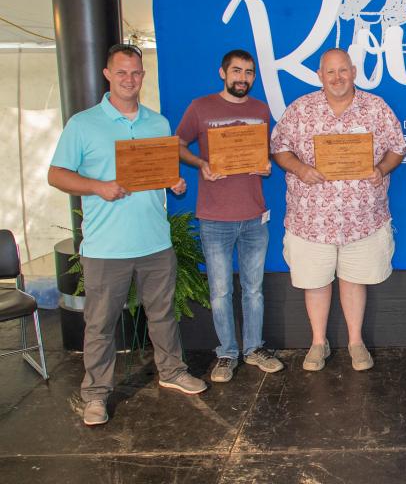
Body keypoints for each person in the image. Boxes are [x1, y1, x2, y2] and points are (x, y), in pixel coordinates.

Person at [48, 43, 208, 427]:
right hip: (106, 248)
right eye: (121, 72)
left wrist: (174, 184)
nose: (129, 80)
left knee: (163, 316)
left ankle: (171, 373)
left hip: (155, 242)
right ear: (107, 74)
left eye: (136, 73)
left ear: (142, 76)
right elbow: (56, 175)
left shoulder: (157, 123)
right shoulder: (83, 124)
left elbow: (160, 173)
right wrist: (98, 186)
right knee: (100, 326)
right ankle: (96, 395)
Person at [271, 48, 405, 372]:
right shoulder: (301, 109)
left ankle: (355, 341)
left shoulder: (376, 107)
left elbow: (397, 148)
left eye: (343, 70)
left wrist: (382, 169)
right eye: (330, 72)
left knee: (354, 279)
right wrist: (300, 169)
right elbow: (279, 148)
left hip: (363, 220)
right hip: (311, 220)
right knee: (315, 282)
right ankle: (318, 342)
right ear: (320, 75)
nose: (337, 78)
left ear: (354, 71)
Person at [176, 49, 283, 383]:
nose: (243, 78)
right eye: (237, 71)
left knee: (254, 289)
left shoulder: (260, 110)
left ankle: (254, 349)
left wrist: (266, 165)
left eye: (249, 72)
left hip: (254, 215)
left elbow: (265, 154)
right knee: (220, 291)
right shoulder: (200, 107)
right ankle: (226, 353)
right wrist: (201, 164)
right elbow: (177, 145)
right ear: (222, 73)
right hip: (214, 217)